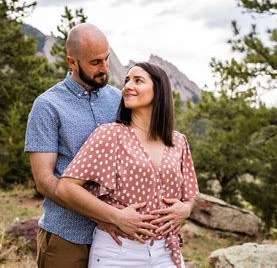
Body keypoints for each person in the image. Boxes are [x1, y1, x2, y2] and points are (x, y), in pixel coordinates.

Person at [56, 62, 200, 268]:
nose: (127, 87)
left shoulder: (178, 141)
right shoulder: (110, 135)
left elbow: (190, 195)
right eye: (126, 81)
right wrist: (117, 217)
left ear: (159, 90)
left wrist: (185, 210)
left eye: (138, 81)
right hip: (118, 251)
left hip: (166, 252)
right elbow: (66, 188)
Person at [25, 23, 124, 268]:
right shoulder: (47, 105)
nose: (104, 68)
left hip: (116, 238)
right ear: (72, 62)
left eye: (106, 59)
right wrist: (101, 215)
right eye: (95, 63)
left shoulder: (119, 100)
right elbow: (44, 181)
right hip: (66, 236)